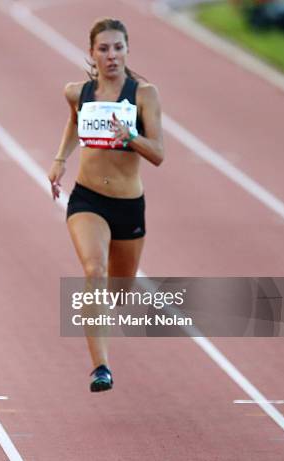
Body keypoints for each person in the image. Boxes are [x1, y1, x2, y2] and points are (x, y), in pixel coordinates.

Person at [48, 18, 164, 392]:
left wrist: (130, 136)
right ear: (92, 53)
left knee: (118, 293)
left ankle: (104, 320)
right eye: (104, 48)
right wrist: (61, 159)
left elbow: (159, 154)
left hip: (129, 205)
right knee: (94, 270)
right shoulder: (77, 92)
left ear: (127, 50)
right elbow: (73, 123)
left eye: (118, 47)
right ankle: (101, 367)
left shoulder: (143, 94)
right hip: (87, 198)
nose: (111, 55)